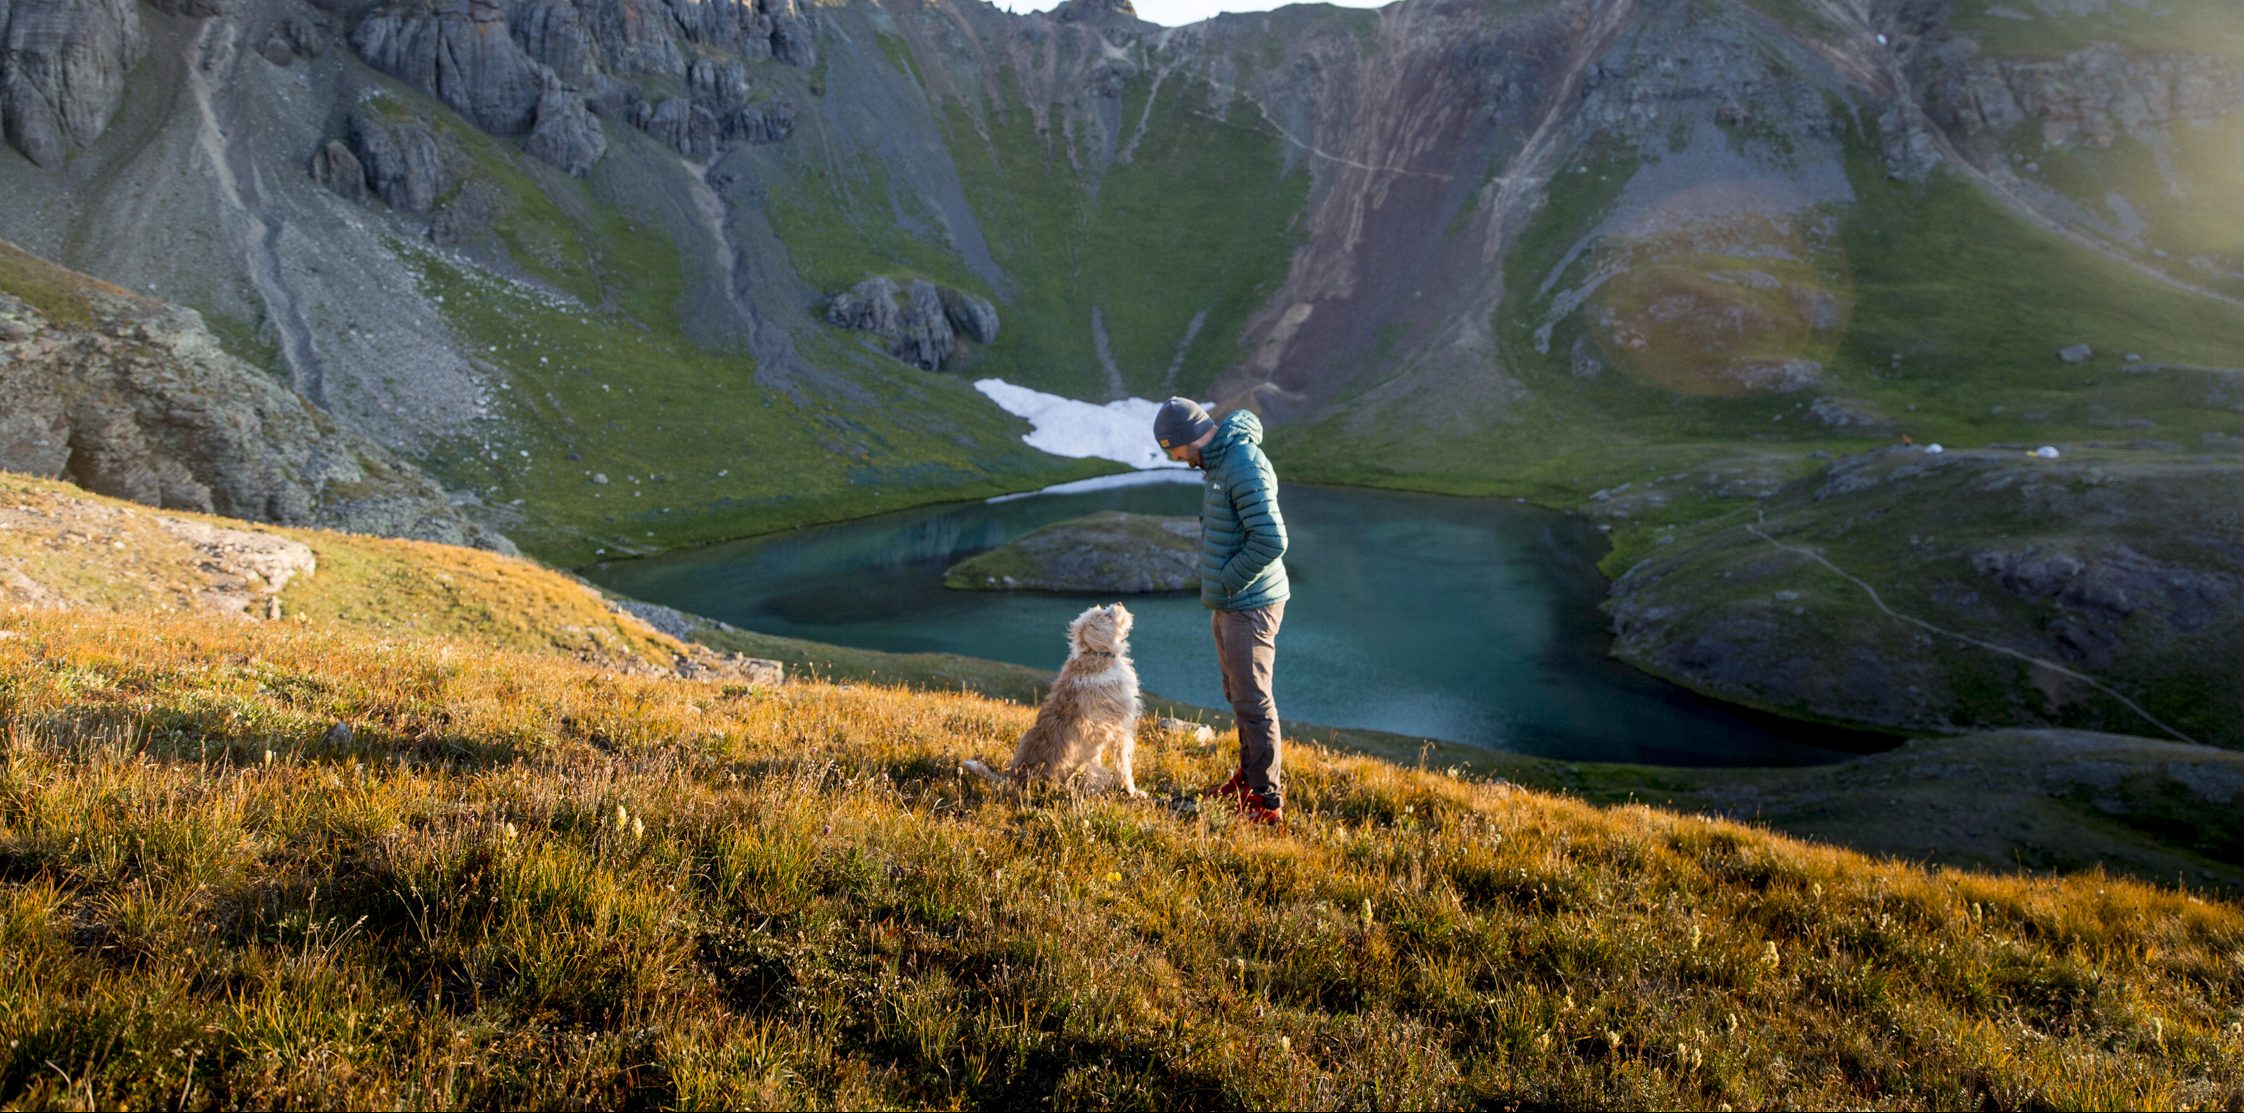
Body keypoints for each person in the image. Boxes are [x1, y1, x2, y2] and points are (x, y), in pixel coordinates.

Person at [1154, 397, 1289, 826]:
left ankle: (1266, 802)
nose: (1173, 457)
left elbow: (1270, 540)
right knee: (1238, 693)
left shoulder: (1242, 462)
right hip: (1231, 603)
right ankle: (1248, 778)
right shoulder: (1218, 463)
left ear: (1188, 439)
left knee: (1254, 700)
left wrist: (1228, 580)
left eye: (1170, 448)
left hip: (1249, 603)